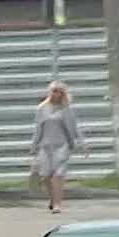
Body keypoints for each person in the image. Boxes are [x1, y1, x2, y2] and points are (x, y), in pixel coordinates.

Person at [30, 81, 83, 215]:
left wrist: (81, 144)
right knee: (46, 175)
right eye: (53, 91)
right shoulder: (42, 108)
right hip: (45, 146)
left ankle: (57, 204)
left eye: (58, 91)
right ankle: (52, 199)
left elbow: (74, 128)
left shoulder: (67, 109)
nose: (55, 94)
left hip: (62, 145)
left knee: (58, 175)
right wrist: (34, 146)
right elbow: (38, 128)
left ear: (62, 94)